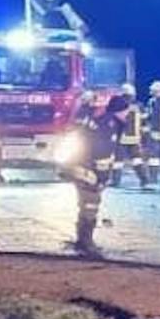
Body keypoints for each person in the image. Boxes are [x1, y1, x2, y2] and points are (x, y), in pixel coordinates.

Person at [62, 94, 126, 259]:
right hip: (88, 170)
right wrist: (101, 177)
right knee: (91, 205)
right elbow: (102, 152)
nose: (127, 116)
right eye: (125, 112)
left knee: (86, 204)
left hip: (80, 166)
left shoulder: (88, 119)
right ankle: (86, 243)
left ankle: (82, 241)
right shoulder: (108, 124)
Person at [113, 83, 150, 188]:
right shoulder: (139, 106)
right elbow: (144, 122)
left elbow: (113, 121)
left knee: (118, 161)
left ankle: (115, 181)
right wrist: (145, 138)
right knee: (137, 159)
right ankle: (144, 180)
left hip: (121, 137)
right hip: (135, 138)